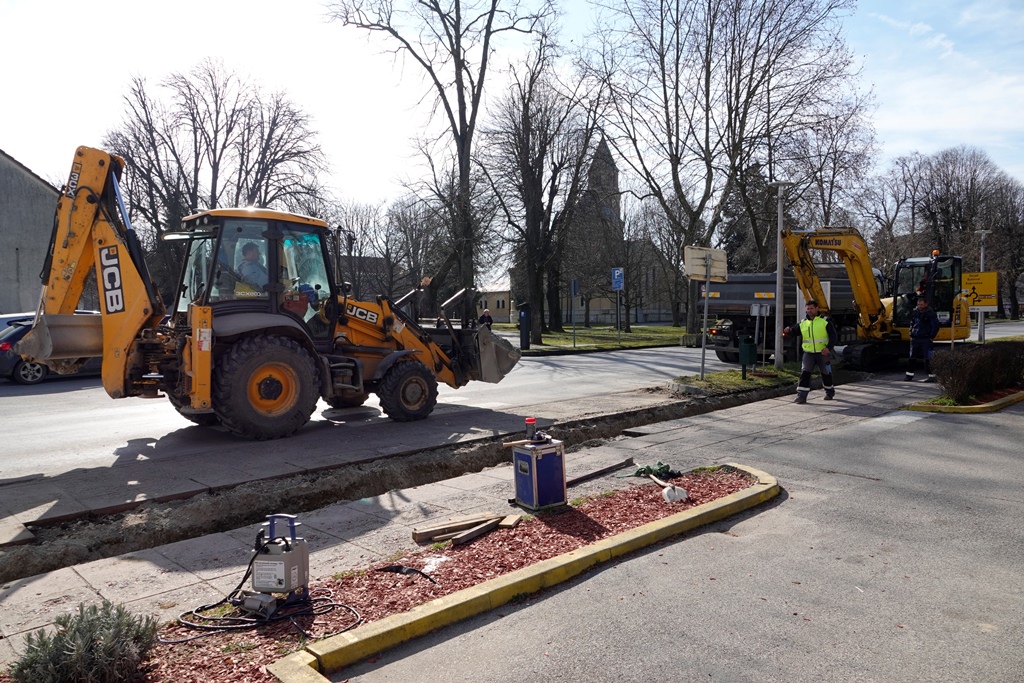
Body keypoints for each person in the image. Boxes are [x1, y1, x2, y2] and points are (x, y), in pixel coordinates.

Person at [783, 299, 838, 404]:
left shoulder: (825, 321)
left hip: (822, 353)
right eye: (808, 308)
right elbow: (794, 332)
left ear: (817, 309)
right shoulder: (803, 323)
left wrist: (828, 348)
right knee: (805, 372)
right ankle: (801, 396)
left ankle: (829, 392)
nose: (809, 310)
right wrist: (788, 331)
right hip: (808, 353)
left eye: (812, 308)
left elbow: (833, 336)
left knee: (826, 372)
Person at [906, 296, 939, 382]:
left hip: (926, 339)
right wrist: (911, 333)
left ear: (926, 304)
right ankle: (909, 375)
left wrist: (931, 336)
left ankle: (932, 376)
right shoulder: (915, 313)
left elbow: (935, 326)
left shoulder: (930, 314)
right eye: (918, 304)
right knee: (912, 357)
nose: (919, 306)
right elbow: (912, 323)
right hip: (915, 338)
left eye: (921, 304)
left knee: (928, 358)